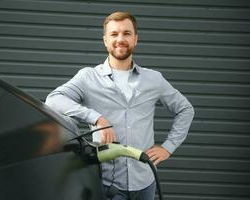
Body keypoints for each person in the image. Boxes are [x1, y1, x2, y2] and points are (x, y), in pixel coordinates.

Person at [45, 11, 194, 200]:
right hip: (106, 184)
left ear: (136, 39)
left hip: (145, 182)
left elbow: (185, 109)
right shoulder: (88, 77)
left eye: (127, 33)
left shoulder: (154, 79)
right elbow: (54, 99)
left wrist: (168, 147)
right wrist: (96, 118)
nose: (120, 39)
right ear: (105, 40)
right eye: (114, 34)